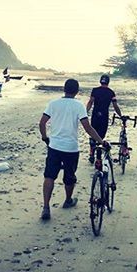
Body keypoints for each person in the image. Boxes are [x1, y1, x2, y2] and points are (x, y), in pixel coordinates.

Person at [39, 79, 107, 221]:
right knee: (69, 176)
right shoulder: (78, 106)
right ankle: (68, 200)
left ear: (64, 89)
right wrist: (101, 141)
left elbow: (42, 122)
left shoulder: (53, 104)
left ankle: (46, 207)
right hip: (70, 148)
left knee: (49, 176)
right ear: (77, 91)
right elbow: (87, 127)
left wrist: (45, 137)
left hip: (54, 146)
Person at [86, 74, 122, 163]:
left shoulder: (95, 91)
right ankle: (98, 157)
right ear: (108, 82)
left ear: (100, 81)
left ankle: (91, 153)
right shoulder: (111, 92)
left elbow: (90, 102)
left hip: (95, 115)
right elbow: (115, 105)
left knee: (93, 135)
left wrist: (85, 112)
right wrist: (120, 115)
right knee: (100, 137)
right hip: (104, 116)